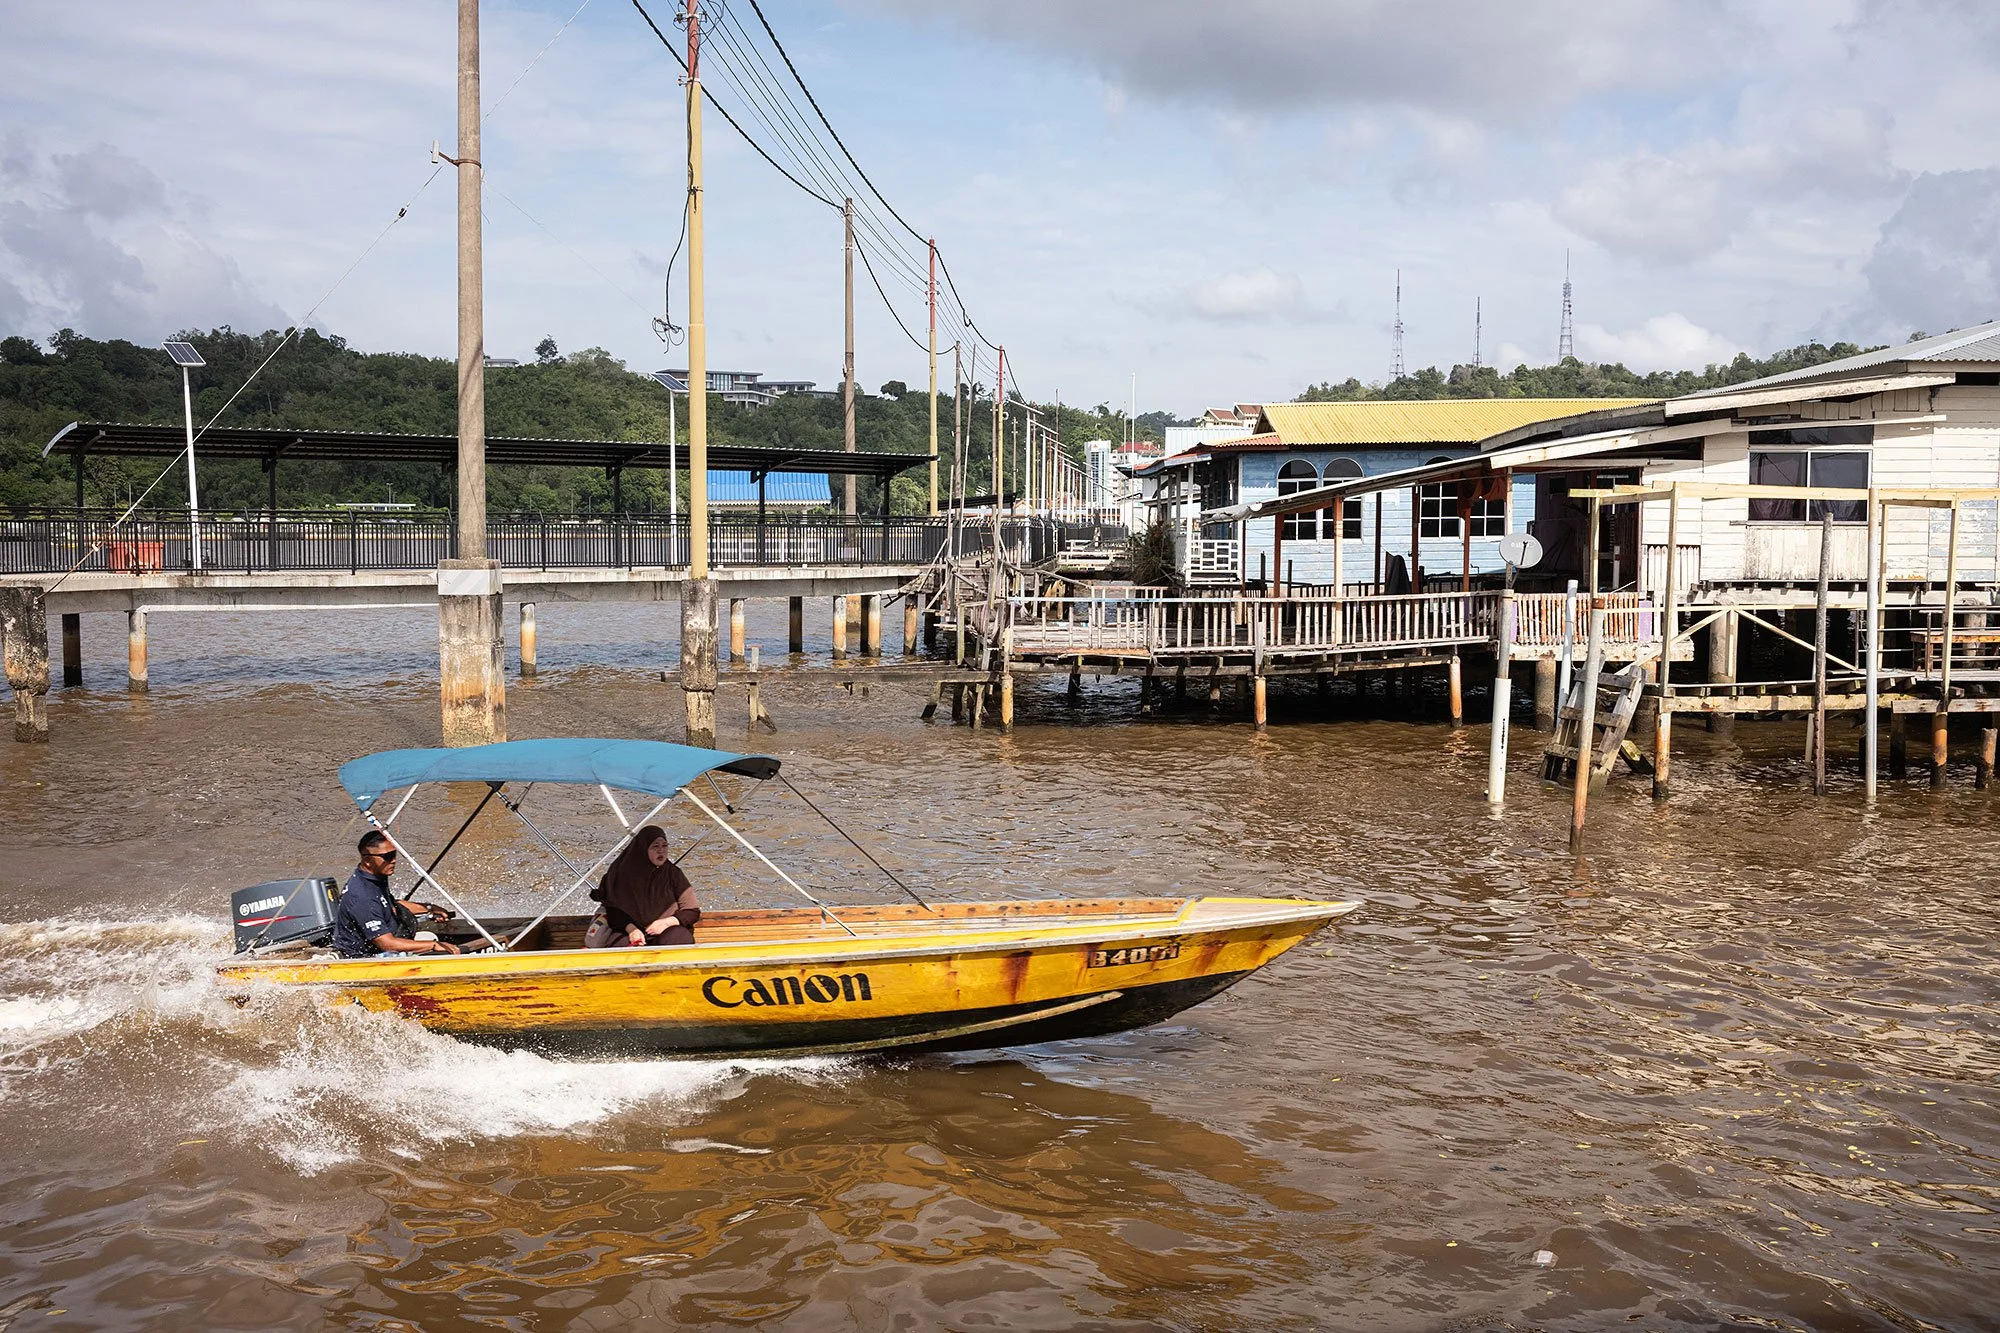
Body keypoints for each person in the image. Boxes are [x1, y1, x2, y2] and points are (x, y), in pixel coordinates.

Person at [331, 831, 462, 959]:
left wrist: (429, 908)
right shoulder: (362, 896)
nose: (393, 861)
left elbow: (391, 904)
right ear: (367, 860)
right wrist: (433, 945)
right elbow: (386, 943)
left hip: (389, 943)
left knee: (431, 937)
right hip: (364, 959)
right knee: (434, 943)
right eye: (387, 857)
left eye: (394, 854)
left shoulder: (375, 877)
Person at [584, 825, 700, 948]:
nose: (661, 851)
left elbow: (692, 911)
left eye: (664, 846)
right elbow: (614, 912)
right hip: (631, 931)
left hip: (665, 932)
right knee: (617, 943)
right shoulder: (622, 874)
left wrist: (666, 923)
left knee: (680, 936)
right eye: (655, 846)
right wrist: (632, 930)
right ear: (643, 849)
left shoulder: (673, 873)